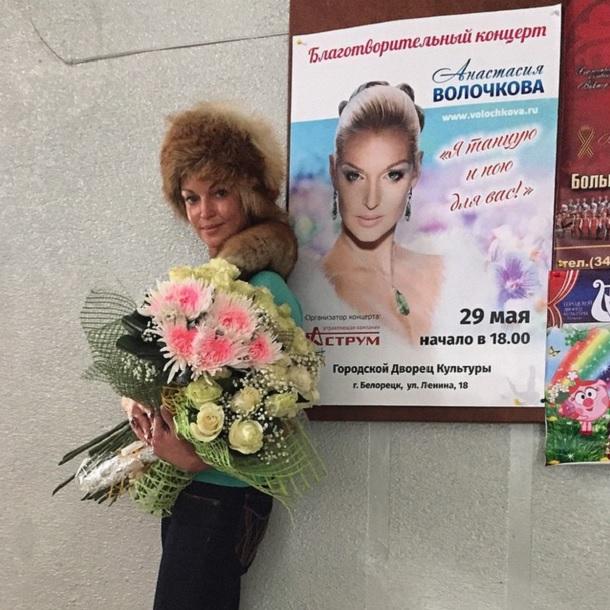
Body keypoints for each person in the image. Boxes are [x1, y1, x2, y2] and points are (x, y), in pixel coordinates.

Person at [122, 101, 303, 610]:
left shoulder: (265, 289)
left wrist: (193, 457)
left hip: (222, 494)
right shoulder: (205, 287)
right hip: (198, 490)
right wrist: (141, 403)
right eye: (191, 198)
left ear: (248, 193)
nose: (205, 212)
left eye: (219, 192)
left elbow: (279, 417)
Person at [322, 81, 443, 344]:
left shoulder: (444, 272)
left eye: (393, 175)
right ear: (333, 170)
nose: (371, 200)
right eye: (354, 176)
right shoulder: (319, 286)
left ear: (416, 170)